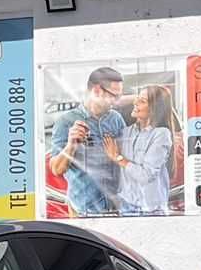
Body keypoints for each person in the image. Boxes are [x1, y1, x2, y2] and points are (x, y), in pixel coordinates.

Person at [47, 67, 128, 216]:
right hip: (83, 212)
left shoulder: (116, 119)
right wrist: (71, 145)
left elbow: (127, 157)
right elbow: (56, 169)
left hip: (117, 208)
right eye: (114, 96)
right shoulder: (66, 121)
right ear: (97, 91)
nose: (117, 101)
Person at [116, 83, 182, 216]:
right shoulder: (127, 132)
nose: (135, 103)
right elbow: (109, 103)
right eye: (137, 99)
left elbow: (145, 176)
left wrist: (118, 158)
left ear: (154, 108)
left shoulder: (161, 134)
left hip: (150, 209)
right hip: (127, 204)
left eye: (142, 101)